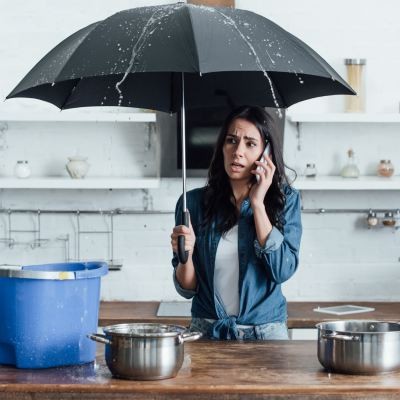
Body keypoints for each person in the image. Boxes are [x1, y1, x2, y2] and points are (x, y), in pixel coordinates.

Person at [170, 105, 302, 340]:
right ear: (222, 146)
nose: (237, 151)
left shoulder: (286, 200)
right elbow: (187, 289)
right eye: (231, 140)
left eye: (250, 143)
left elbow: (282, 270)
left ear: (267, 154)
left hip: (266, 334)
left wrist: (258, 204)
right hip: (207, 331)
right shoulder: (192, 203)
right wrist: (186, 256)